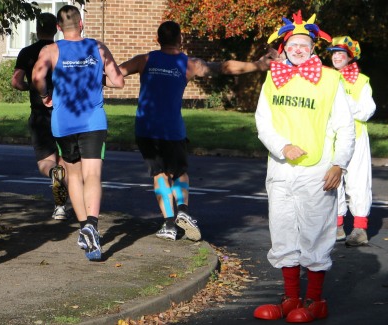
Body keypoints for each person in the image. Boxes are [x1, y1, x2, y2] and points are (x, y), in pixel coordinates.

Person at [106, 20, 278, 242]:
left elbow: (116, 75)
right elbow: (224, 67)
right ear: (181, 40)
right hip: (172, 129)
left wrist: (90, 77)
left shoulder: (145, 60)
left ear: (157, 40)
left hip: (146, 128)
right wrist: (257, 65)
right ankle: (183, 210)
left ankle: (169, 224)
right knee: (179, 173)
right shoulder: (189, 64)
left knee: (159, 175)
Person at [253, 11, 355, 322]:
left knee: (316, 233)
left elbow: (345, 127)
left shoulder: (330, 80)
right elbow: (262, 121)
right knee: (283, 230)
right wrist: (282, 146)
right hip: (281, 168)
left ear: (313, 49)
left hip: (318, 169)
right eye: (293, 44)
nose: (298, 49)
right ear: (283, 48)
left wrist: (339, 164)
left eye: (304, 44)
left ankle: (314, 301)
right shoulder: (273, 77)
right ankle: (290, 298)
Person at [32, 5, 125, 261]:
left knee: (73, 174)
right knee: (93, 173)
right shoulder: (98, 48)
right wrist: (99, 77)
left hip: (64, 123)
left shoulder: (51, 49)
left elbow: (37, 75)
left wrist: (44, 95)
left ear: (59, 28)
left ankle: (84, 226)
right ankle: (92, 225)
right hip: (93, 121)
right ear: (81, 23)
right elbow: (118, 81)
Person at [11, 12, 68, 220]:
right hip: (65, 113)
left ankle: (54, 178)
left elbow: (16, 81)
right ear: (56, 29)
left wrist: (30, 87)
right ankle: (60, 206)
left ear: (36, 29)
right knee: (64, 159)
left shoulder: (27, 52)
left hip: (39, 113)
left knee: (47, 162)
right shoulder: (61, 50)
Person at [327, 36, 376, 246]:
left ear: (349, 57)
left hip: (355, 137)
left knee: (358, 182)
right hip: (331, 137)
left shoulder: (361, 80)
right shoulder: (324, 78)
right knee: (331, 183)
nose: (336, 57)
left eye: (341, 53)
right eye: (334, 53)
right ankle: (336, 227)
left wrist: (344, 102)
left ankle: (359, 229)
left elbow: (367, 111)